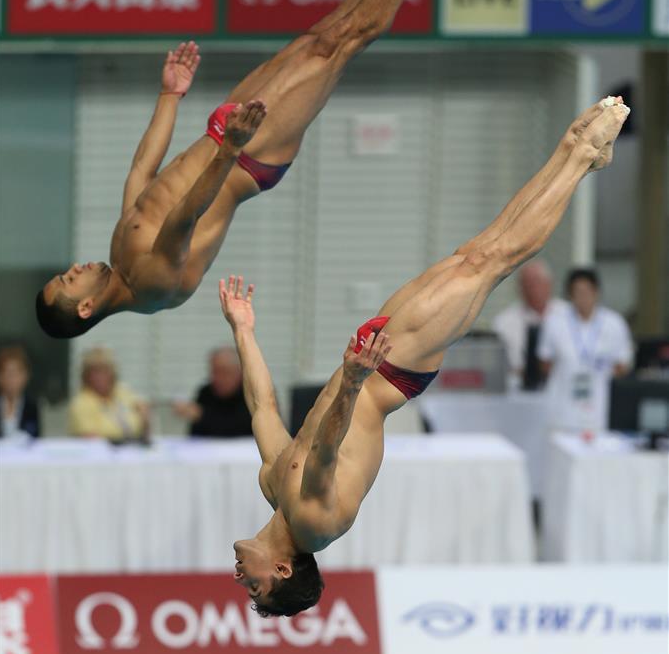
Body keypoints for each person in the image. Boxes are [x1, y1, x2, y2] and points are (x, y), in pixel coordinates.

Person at [221, 97, 629, 617]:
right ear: (281, 570)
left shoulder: (274, 486)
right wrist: (349, 384)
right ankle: (579, 156)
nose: (240, 581)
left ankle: (580, 154)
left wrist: (243, 330)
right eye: (254, 589)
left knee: (477, 254)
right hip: (387, 370)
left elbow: (262, 409)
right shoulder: (312, 526)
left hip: (368, 363)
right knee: (491, 262)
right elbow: (324, 451)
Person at [36, 0, 464, 339]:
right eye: (69, 281)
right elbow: (186, 214)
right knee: (343, 43)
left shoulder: (120, 254)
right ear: (86, 308)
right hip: (247, 156)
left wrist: (170, 95)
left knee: (323, 34)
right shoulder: (151, 287)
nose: (74, 268)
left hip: (226, 137)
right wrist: (230, 150)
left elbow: (142, 169)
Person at [538, 267, 634, 433]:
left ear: (596, 292)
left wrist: (599, 373)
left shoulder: (614, 323)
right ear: (570, 294)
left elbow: (623, 364)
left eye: (587, 291)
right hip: (562, 408)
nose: (583, 297)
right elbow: (545, 362)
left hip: (598, 406)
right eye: (577, 292)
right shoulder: (555, 321)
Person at [492, 259, 568, 389]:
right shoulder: (503, 322)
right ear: (519, 288)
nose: (532, 289)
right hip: (518, 391)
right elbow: (497, 367)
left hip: (563, 388)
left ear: (549, 284)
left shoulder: (569, 316)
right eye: (526, 283)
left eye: (537, 282)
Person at [69, 347, 149, 441]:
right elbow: (89, 438)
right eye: (95, 372)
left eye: (105, 371)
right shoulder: (81, 402)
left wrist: (146, 419)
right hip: (100, 452)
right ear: (86, 376)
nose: (100, 377)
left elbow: (144, 423)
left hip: (133, 448)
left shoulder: (123, 392)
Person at [173, 347, 253, 438]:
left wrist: (202, 415)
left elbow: (240, 429)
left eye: (224, 372)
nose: (218, 378)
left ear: (240, 372)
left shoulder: (251, 395)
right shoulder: (205, 392)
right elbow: (195, 435)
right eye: (214, 372)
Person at [0, 346, 40, 440]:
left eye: (15, 374)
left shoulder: (31, 406)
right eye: (7, 374)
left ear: (25, 376)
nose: (11, 380)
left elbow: (36, 438)